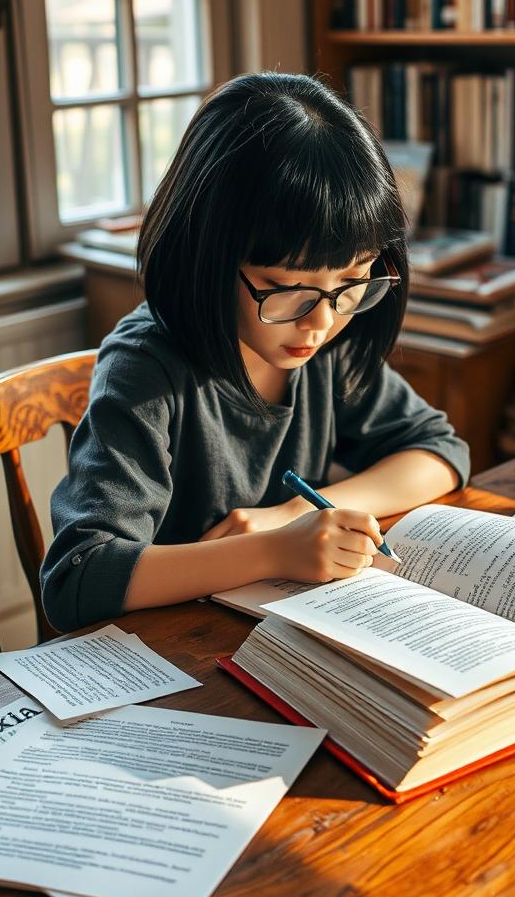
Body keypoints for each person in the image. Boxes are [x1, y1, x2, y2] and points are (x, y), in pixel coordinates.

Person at [40, 73, 470, 632]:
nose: (321, 321)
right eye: (287, 287)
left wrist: (293, 514)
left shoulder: (322, 344)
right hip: (160, 668)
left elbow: (441, 452)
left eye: (354, 279)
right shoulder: (146, 369)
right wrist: (272, 552)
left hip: (272, 636)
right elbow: (76, 581)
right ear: (207, 256)